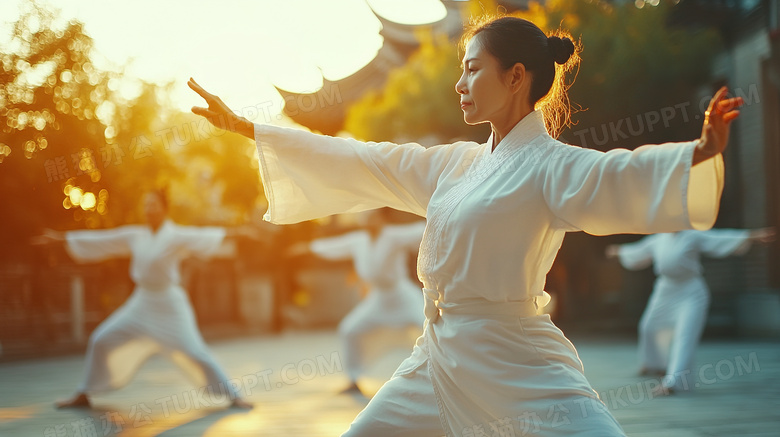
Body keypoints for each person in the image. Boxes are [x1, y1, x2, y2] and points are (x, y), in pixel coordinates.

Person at [189, 13, 742, 436]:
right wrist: (247, 128)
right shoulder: (455, 164)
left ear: (516, 76)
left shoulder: (553, 165)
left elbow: (618, 174)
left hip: (516, 356)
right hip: (439, 353)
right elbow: (365, 160)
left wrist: (697, 151)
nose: (460, 83)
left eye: (473, 69)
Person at [33, 189, 255, 409]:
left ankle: (234, 395)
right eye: (146, 205)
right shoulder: (136, 235)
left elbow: (204, 235)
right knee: (101, 340)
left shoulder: (175, 235)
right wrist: (61, 239)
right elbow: (105, 240)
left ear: (164, 209)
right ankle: (84, 393)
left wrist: (240, 232)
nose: (149, 209)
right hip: (142, 302)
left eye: (153, 205)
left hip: (169, 304)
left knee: (195, 351)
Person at [605, 227, 775, 396]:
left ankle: (674, 383)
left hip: (690, 292)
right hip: (665, 290)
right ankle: (654, 364)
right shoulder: (659, 238)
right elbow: (638, 251)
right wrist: (618, 251)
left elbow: (718, 239)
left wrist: (751, 237)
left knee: (684, 336)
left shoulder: (692, 236)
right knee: (649, 326)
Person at [289, 209, 426, 395]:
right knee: (349, 329)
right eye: (366, 217)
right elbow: (335, 247)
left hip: (402, 296)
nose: (369, 221)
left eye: (373, 217)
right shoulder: (359, 240)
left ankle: (439, 374)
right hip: (378, 299)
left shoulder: (393, 235)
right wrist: (308, 247)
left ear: (382, 220)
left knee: (427, 328)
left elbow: (422, 230)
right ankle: (353, 379)